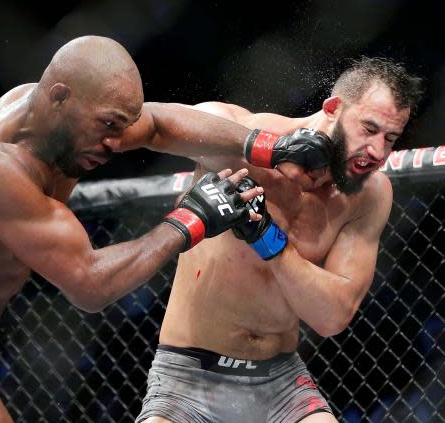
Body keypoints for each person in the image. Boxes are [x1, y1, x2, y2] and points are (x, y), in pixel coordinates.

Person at [0, 36, 329, 423]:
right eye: (109, 126)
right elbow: (89, 283)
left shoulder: (64, 118)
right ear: (58, 97)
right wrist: (193, 219)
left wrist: (268, 147)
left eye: (120, 124)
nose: (117, 142)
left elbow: (156, 123)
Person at [129, 57, 423, 423]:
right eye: (369, 129)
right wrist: (265, 148)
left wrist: (268, 239)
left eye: (390, 139)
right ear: (332, 108)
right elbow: (152, 123)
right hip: (189, 377)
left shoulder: (370, 194)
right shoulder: (245, 135)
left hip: (280, 384)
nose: (378, 152)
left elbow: (333, 316)